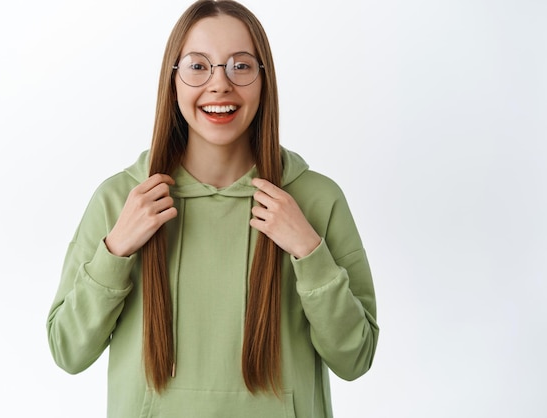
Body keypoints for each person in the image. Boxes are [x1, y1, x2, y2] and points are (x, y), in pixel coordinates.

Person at [47, 0, 379, 416]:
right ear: (173, 80)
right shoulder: (121, 200)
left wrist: (310, 252)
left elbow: (356, 358)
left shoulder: (316, 199)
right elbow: (68, 350)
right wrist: (114, 251)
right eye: (198, 65)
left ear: (264, 79)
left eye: (240, 66)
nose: (220, 85)